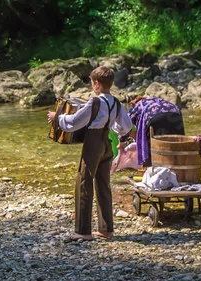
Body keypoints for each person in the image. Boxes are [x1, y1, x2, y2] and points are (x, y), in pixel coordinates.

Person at [47, 66, 132, 241]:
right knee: (103, 184)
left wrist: (57, 117)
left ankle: (83, 231)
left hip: (93, 143)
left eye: (93, 82)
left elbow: (75, 122)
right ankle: (106, 229)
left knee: (84, 182)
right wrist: (113, 127)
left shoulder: (94, 102)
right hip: (107, 143)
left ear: (97, 84)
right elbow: (126, 126)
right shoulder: (116, 103)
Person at [119, 95, 184, 167]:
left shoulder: (136, 106)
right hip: (175, 113)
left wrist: (121, 141)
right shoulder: (156, 99)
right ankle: (179, 167)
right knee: (178, 143)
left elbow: (127, 126)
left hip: (155, 117)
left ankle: (150, 169)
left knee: (150, 147)